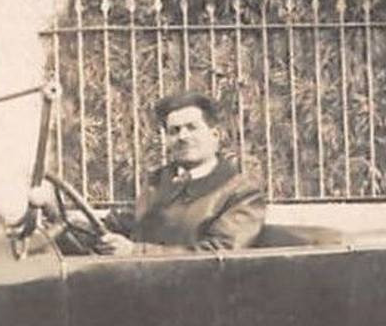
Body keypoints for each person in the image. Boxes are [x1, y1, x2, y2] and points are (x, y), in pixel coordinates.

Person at [94, 91, 266, 255]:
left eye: (192, 128)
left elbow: (221, 253)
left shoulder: (242, 194)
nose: (182, 137)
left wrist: (135, 252)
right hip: (138, 280)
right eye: (174, 131)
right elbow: (122, 222)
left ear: (215, 135)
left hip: (200, 284)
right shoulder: (158, 182)